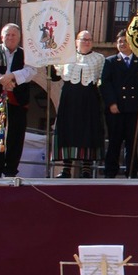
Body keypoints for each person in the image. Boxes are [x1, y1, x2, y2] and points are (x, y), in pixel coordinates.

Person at [0, 23, 37, 178]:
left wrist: (13, 77)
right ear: (1, 37)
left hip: (16, 98)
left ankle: (11, 169)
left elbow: (31, 71)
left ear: (19, 38)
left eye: (14, 35)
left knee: (16, 134)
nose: (10, 38)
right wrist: (1, 80)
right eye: (7, 35)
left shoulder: (26, 54)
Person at [49, 31, 106, 178]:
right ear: (76, 41)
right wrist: (48, 59)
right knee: (68, 129)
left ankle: (86, 168)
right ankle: (66, 168)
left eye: (89, 39)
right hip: (69, 97)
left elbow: (103, 79)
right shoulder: (66, 57)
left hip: (90, 98)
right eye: (83, 39)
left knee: (88, 130)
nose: (86, 42)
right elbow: (55, 76)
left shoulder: (99, 58)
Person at [101, 29, 138, 178]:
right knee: (115, 141)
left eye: (125, 41)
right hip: (116, 109)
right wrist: (111, 103)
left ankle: (132, 171)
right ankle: (110, 171)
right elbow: (105, 84)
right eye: (120, 41)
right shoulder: (111, 61)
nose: (122, 44)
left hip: (134, 109)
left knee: (132, 142)